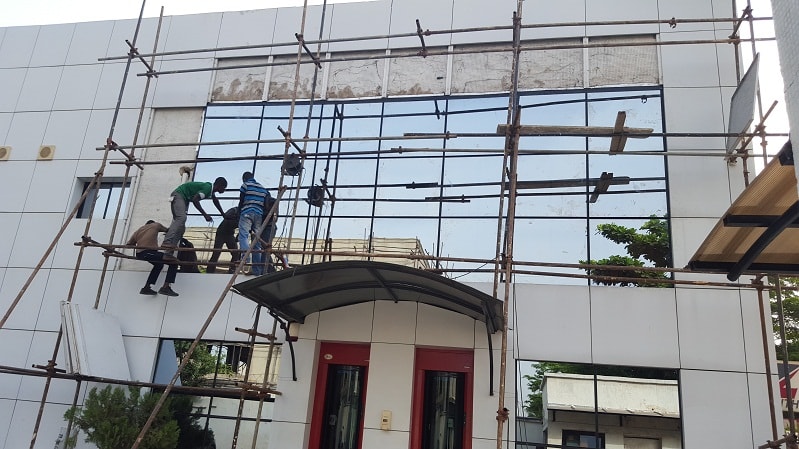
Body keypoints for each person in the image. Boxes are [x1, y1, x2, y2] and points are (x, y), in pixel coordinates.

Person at [163, 177, 227, 260]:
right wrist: (205, 215)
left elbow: (215, 201)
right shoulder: (207, 188)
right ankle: (167, 242)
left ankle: (168, 254)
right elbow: (195, 200)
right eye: (224, 188)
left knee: (181, 229)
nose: (224, 190)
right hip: (179, 195)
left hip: (183, 198)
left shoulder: (210, 190)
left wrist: (223, 214)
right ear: (219, 186)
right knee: (181, 218)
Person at [127, 220, 179, 297]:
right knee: (174, 261)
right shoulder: (155, 225)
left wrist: (139, 244)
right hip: (149, 252)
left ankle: (146, 288)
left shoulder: (138, 231)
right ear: (152, 224)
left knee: (159, 265)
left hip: (140, 254)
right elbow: (168, 230)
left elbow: (129, 244)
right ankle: (166, 287)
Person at [238, 172, 269, 275]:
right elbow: (266, 205)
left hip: (247, 212)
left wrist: (239, 213)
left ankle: (245, 259)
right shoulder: (263, 189)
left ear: (244, 178)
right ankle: (257, 270)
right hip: (258, 215)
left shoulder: (245, 185)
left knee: (243, 235)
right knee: (257, 241)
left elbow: (241, 201)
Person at [207, 206, 240, 274]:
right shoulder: (234, 210)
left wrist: (239, 235)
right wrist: (235, 217)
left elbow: (246, 227)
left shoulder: (245, 216)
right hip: (221, 233)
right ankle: (209, 271)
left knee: (236, 253)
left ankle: (232, 270)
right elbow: (226, 215)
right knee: (216, 252)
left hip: (230, 234)